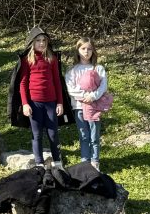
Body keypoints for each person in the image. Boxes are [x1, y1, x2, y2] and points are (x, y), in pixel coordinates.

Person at [14, 27, 68, 169]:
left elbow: (57, 81)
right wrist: (25, 104)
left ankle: (57, 162)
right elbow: (23, 83)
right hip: (34, 103)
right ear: (32, 42)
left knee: (53, 134)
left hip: (51, 102)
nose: (42, 43)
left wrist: (60, 103)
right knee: (36, 134)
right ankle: (39, 163)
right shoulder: (27, 60)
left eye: (44, 40)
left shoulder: (52, 58)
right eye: (38, 40)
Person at [65, 37, 109, 171]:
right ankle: (85, 162)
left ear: (93, 51)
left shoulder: (98, 68)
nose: (86, 51)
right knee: (84, 136)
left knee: (94, 136)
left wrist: (93, 96)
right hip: (79, 107)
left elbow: (103, 86)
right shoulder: (72, 70)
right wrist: (85, 96)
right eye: (83, 48)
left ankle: (95, 162)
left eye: (89, 49)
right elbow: (70, 88)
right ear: (77, 50)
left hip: (94, 107)